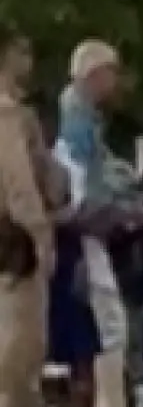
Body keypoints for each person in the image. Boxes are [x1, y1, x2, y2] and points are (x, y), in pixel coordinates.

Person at [51, 39, 126, 407]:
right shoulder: (78, 121)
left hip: (81, 228)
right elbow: (80, 178)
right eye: (113, 73)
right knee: (103, 322)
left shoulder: (83, 117)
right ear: (96, 74)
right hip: (83, 232)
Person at [0, 28, 56, 407]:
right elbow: (18, 181)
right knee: (19, 356)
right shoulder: (7, 114)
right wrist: (40, 239)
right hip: (13, 245)